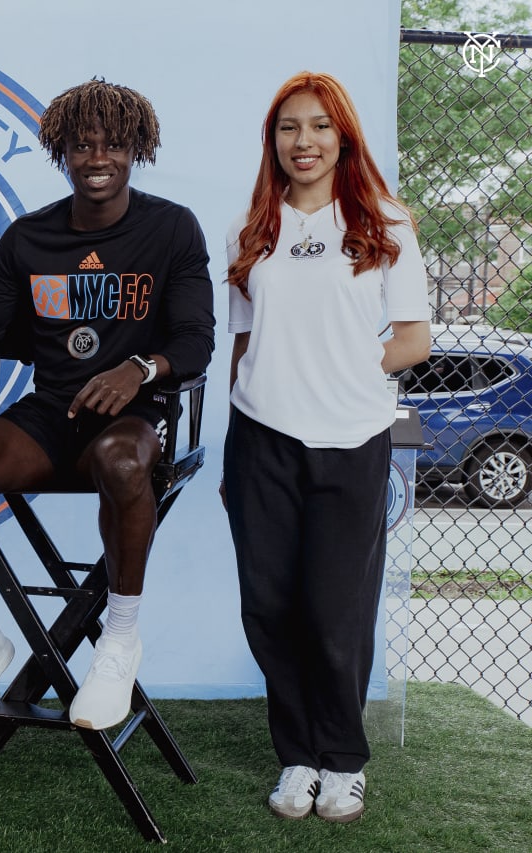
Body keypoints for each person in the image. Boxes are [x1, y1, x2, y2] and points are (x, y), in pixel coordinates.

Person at [0, 80, 215, 731]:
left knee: (118, 460)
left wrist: (139, 368)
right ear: (62, 152)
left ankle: (119, 639)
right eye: (82, 145)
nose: (97, 157)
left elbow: (196, 341)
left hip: (139, 420)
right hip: (52, 415)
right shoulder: (30, 237)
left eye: (112, 143)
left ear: (136, 148)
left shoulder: (171, 228)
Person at [223, 71, 430, 823]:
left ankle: (343, 758)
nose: (302, 141)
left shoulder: (383, 222)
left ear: (342, 135)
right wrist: (245, 421)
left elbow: (413, 340)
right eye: (287, 128)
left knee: (335, 608)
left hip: (351, 439)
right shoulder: (254, 230)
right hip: (261, 440)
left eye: (317, 126)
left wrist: (344, 372)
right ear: (272, 142)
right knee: (269, 606)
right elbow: (244, 346)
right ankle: (299, 756)